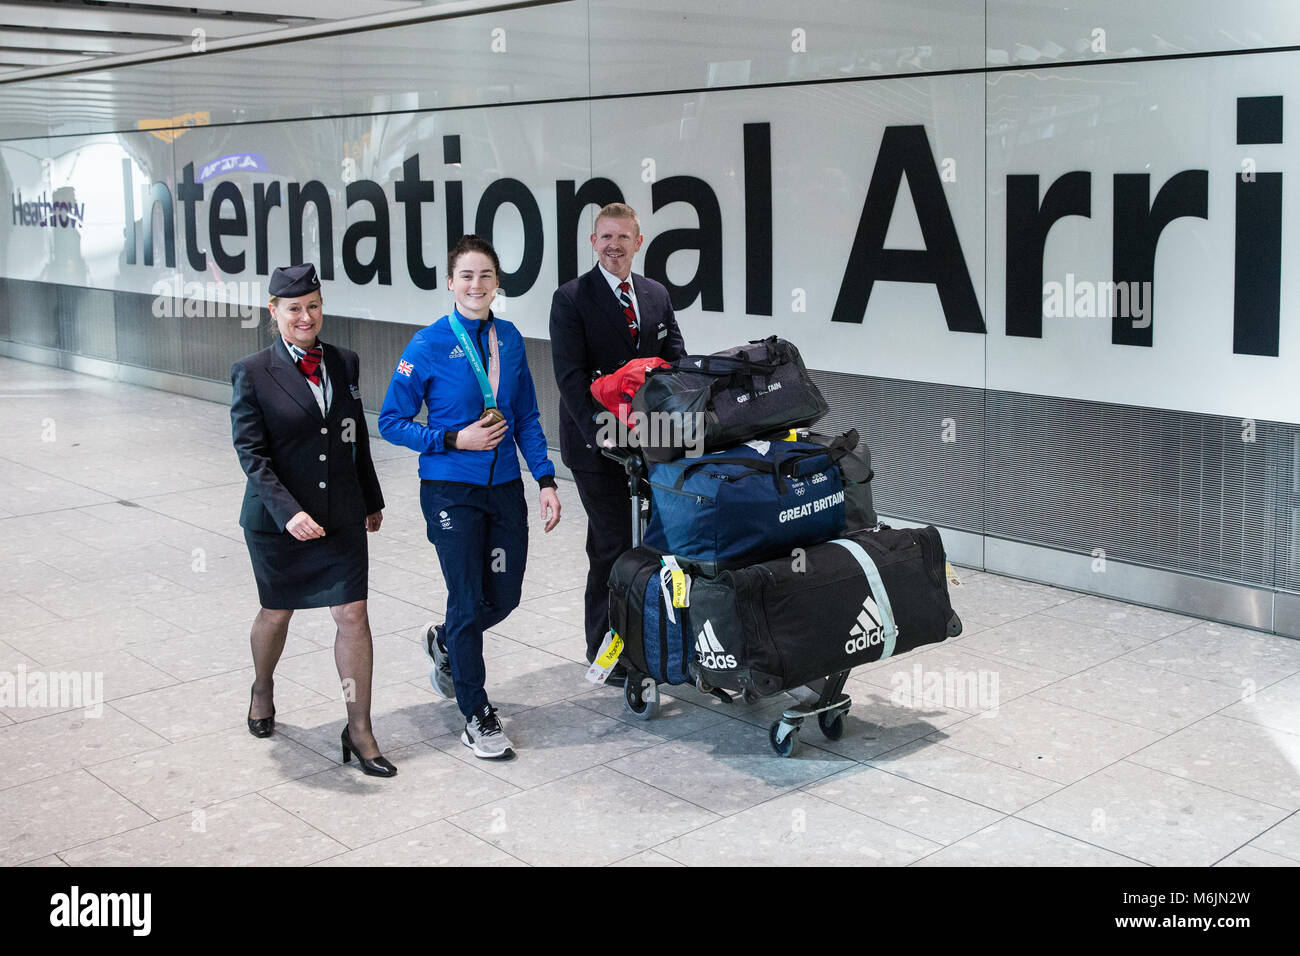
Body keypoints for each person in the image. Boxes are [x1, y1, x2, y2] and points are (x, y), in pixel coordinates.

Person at [379, 235, 560, 760]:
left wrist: (545, 479)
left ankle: (446, 641)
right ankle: (476, 713)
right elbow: (392, 421)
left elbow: (525, 415)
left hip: (503, 487)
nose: (476, 285)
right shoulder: (428, 345)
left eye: (485, 276)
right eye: (466, 276)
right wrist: (453, 438)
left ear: (497, 283)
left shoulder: (510, 338)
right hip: (450, 489)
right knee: (465, 596)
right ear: (450, 283)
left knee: (502, 597)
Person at [230, 263, 395, 777]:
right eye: (295, 308)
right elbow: (251, 453)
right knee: (277, 613)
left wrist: (370, 496)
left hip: (341, 512)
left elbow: (354, 436)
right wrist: (289, 512)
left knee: (352, 615)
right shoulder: (253, 371)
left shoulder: (344, 362)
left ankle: (360, 727)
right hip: (279, 519)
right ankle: (263, 687)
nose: (307, 317)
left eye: (314, 306)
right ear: (274, 311)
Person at [549, 202, 686, 683]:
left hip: (651, 444)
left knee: (649, 543)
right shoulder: (571, 299)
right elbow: (569, 379)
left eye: (622, 237)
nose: (613, 246)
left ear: (638, 242)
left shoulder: (654, 294)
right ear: (592, 243)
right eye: (605, 237)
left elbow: (675, 363)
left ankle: (650, 638)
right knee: (611, 543)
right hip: (597, 448)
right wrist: (603, 439)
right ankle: (605, 650)